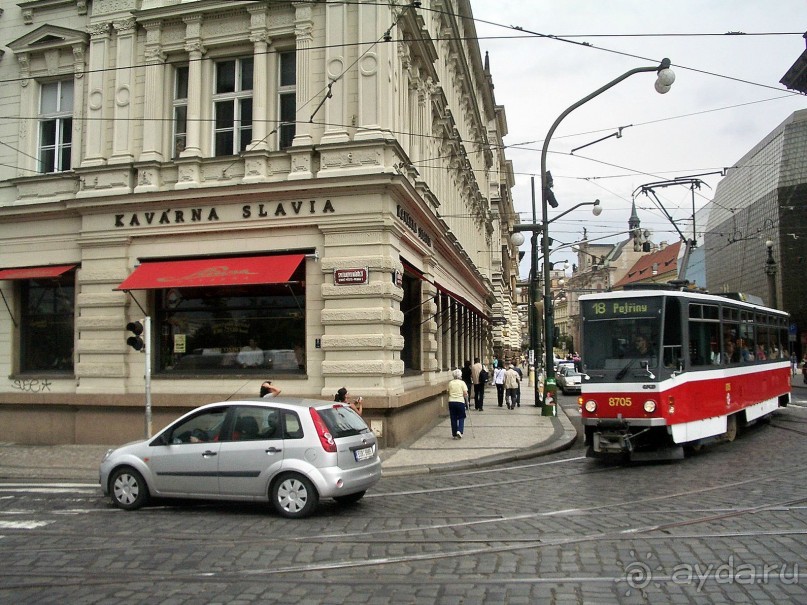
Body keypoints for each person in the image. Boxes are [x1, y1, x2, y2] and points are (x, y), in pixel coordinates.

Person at [447, 368, 468, 439]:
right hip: (460, 402)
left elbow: (448, 392)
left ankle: (454, 433)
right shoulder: (462, 383)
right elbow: (465, 393)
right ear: (460, 375)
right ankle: (459, 430)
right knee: (461, 416)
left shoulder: (450, 383)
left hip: (451, 401)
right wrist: (466, 399)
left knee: (453, 418)